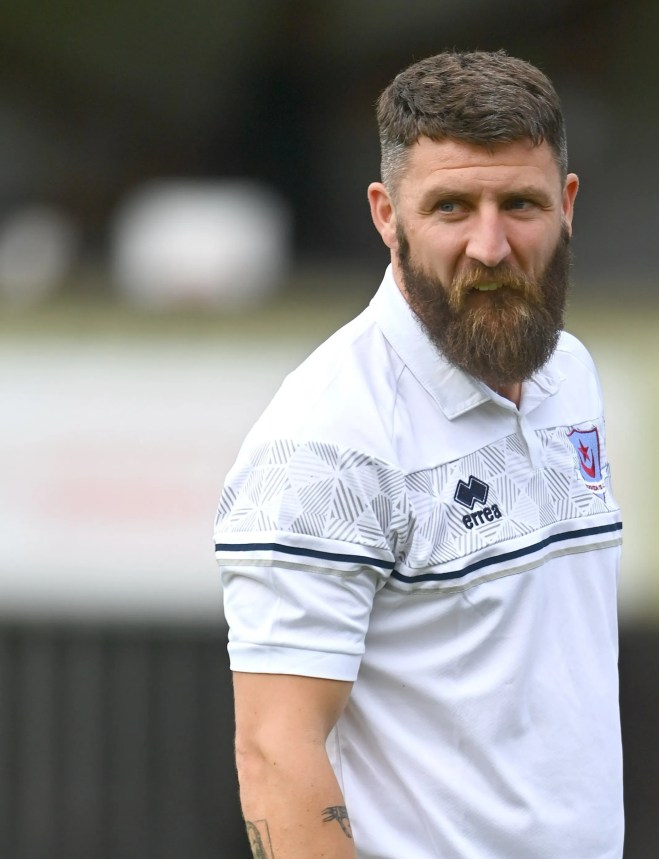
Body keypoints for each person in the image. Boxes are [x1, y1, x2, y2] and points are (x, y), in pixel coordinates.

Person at [214, 50, 623, 859]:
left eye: (520, 203)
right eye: (450, 207)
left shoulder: (569, 372)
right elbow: (274, 753)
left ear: (568, 204)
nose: (491, 244)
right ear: (385, 214)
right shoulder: (325, 440)